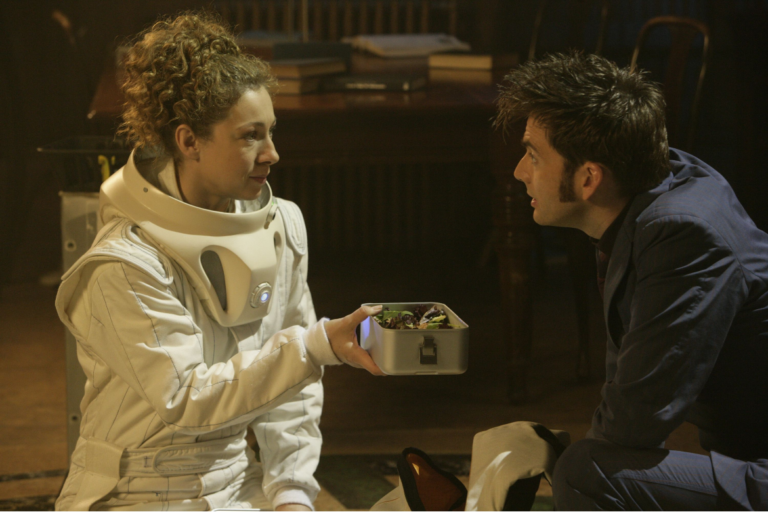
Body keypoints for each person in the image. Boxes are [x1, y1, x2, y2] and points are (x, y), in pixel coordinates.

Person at [54, 12, 384, 512]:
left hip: (236, 482)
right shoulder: (124, 262)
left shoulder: (281, 226)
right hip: (135, 492)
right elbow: (187, 398)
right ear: (189, 142)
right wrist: (315, 347)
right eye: (251, 135)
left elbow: (291, 388)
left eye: (271, 132)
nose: (272, 153)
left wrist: (291, 491)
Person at [495, 52, 768, 511]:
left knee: (585, 473)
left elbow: (634, 422)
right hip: (747, 451)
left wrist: (573, 470)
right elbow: (626, 401)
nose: (520, 171)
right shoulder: (646, 196)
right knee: (581, 465)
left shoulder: (683, 233)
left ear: (589, 178)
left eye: (533, 155)